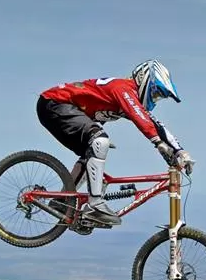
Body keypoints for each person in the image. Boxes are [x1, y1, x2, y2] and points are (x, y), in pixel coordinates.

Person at [36, 59, 195, 226]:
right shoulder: (124, 89)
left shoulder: (129, 97)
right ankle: (95, 205)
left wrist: (179, 151)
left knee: (91, 152)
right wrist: (157, 143)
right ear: (145, 80)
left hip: (57, 107)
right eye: (155, 94)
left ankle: (62, 202)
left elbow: (155, 124)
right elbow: (140, 118)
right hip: (55, 103)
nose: (154, 100)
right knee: (99, 141)